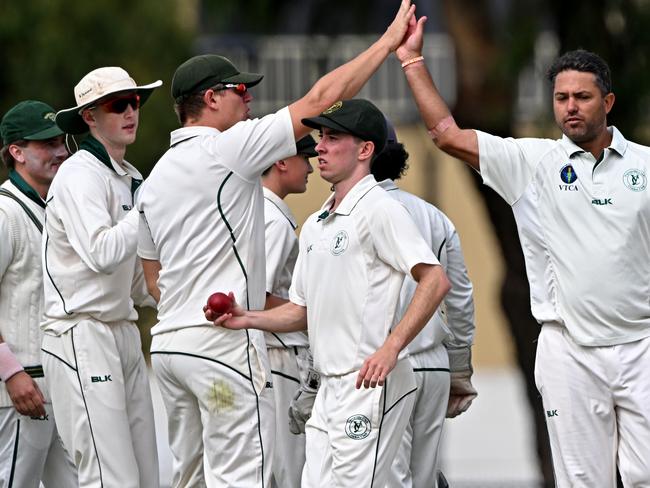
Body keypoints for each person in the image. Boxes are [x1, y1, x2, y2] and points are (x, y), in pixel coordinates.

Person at [136, 3, 416, 486]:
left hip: (168, 351)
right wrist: (387, 45)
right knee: (242, 478)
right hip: (220, 352)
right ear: (211, 99)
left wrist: (187, 307)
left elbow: (150, 274)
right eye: (240, 90)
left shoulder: (155, 177)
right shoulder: (227, 147)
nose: (248, 100)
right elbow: (323, 99)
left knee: (189, 479)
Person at [396, 12, 650, 486]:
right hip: (569, 349)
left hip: (642, 344)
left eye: (583, 97)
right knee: (582, 480)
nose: (571, 107)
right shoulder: (531, 162)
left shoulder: (645, 166)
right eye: (561, 98)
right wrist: (412, 61)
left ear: (608, 101)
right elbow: (447, 135)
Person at [207, 98, 451, 487]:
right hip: (328, 389)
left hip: (370, 386)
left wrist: (391, 347)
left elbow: (435, 279)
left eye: (333, 137)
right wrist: (248, 318)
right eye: (320, 137)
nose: (319, 146)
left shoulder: (379, 209)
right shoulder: (318, 222)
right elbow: (302, 311)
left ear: (365, 150)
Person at [40, 67, 162, 488]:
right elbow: (101, 253)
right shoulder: (78, 175)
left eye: (135, 102)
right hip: (81, 333)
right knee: (111, 479)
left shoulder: (133, 178)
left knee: (146, 477)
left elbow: (134, 281)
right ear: (89, 116)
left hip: (123, 330)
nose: (131, 112)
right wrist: (149, 206)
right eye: (117, 105)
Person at [371, 119, 476, 488]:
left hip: (375, 368)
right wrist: (460, 367)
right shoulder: (433, 215)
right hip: (432, 366)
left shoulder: (342, 216)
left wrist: (313, 381)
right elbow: (460, 296)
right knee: (424, 479)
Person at [0, 100, 77, 487]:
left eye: (60, 140)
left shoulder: (53, 207)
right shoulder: (4, 212)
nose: (60, 150)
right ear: (16, 152)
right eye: (46, 143)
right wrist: (10, 373)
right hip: (18, 390)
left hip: (56, 384)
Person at [261, 135, 316, 488]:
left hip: (268, 352)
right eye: (305, 157)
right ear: (281, 162)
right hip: (279, 354)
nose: (310, 166)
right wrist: (315, 312)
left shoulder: (255, 211)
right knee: (288, 471)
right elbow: (258, 296)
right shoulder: (274, 220)